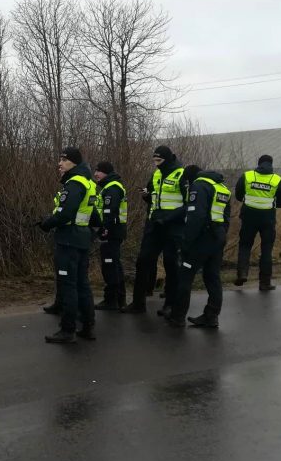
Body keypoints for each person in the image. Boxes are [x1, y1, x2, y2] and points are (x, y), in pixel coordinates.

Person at [121, 146, 189, 317]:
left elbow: (188, 205)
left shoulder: (182, 175)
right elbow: (154, 196)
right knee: (143, 261)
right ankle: (138, 303)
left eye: (159, 161)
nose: (156, 164)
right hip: (154, 225)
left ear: (168, 159)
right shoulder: (156, 174)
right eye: (154, 161)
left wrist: (168, 218)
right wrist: (147, 196)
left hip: (174, 227)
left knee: (171, 264)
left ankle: (170, 304)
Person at [39, 147, 97, 343]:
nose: (60, 163)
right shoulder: (89, 183)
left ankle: (67, 330)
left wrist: (47, 223)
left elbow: (64, 214)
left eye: (64, 160)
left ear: (73, 162)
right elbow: (94, 216)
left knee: (68, 285)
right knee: (82, 284)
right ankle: (88, 326)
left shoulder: (74, 183)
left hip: (68, 240)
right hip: (82, 238)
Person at [168, 169, 232, 329]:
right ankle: (211, 317)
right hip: (218, 237)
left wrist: (186, 242)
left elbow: (196, 216)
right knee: (212, 277)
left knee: (185, 275)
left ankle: (177, 316)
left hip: (202, 238)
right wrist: (221, 234)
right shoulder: (222, 187)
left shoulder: (199, 186)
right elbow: (226, 216)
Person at [234, 154, 281, 291]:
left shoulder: (247, 176)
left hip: (248, 216)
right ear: (271, 164)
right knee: (266, 250)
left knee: (245, 246)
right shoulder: (276, 179)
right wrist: (272, 203)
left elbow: (238, 195)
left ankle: (242, 273)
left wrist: (249, 201)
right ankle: (264, 283)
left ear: (259, 163)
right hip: (267, 218)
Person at [93, 161, 127, 311]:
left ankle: (112, 300)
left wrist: (104, 228)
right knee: (114, 264)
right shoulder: (110, 186)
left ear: (106, 172)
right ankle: (119, 299)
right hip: (114, 231)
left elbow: (110, 211)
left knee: (109, 266)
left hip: (111, 232)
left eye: (98, 171)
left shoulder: (113, 188)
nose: (95, 174)